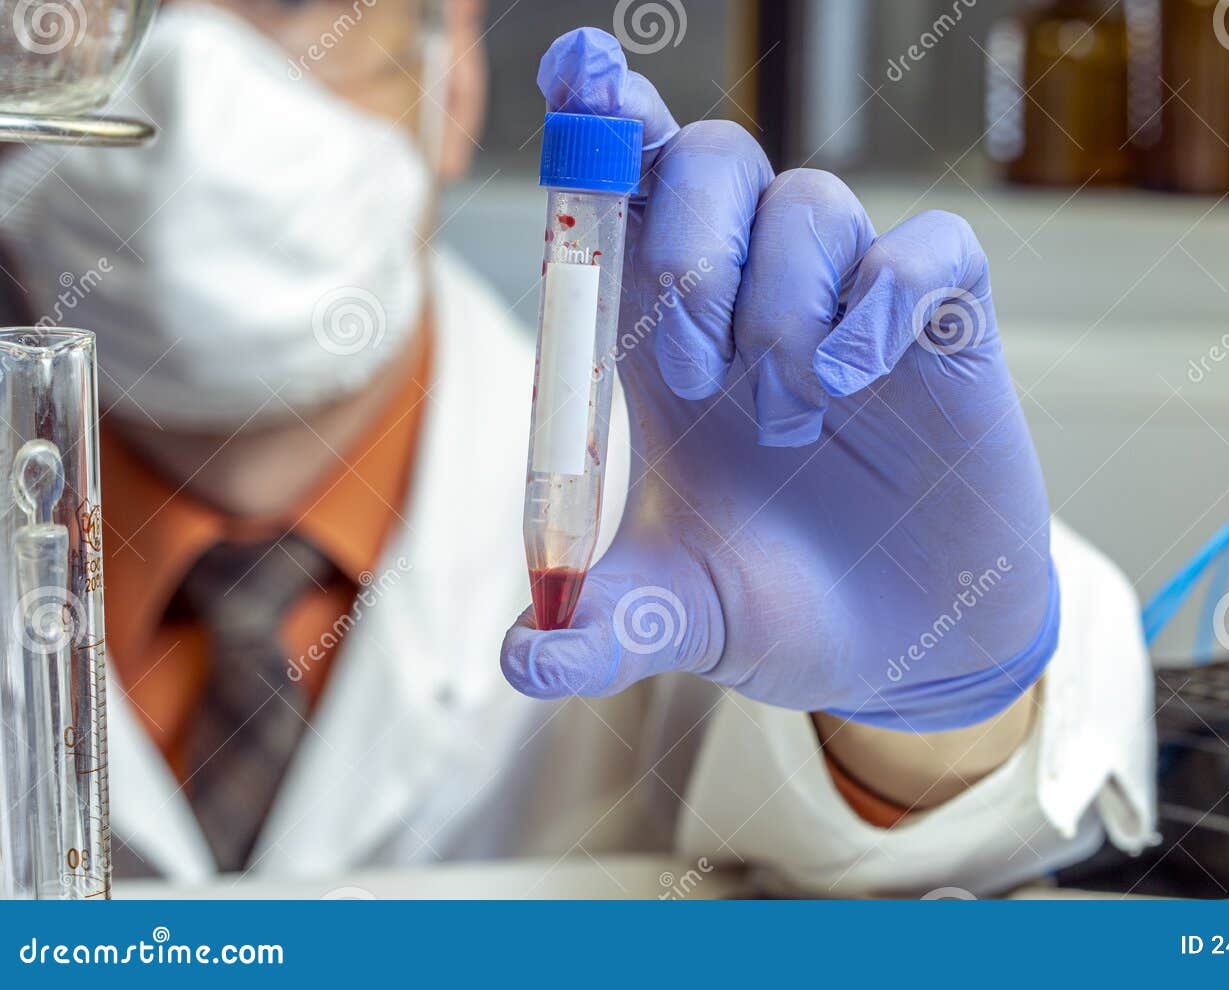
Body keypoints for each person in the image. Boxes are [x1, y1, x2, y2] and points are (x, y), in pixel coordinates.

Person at [0, 2, 1155, 894]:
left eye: (293, 3)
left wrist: (926, 710)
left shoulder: (672, 503)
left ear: (452, 75)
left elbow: (958, 849)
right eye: (84, 10)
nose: (190, 88)